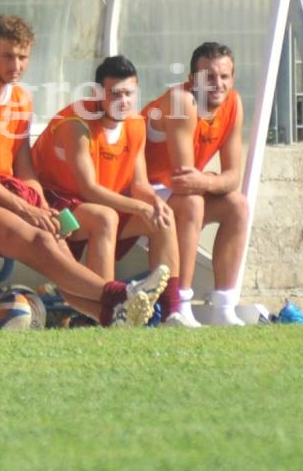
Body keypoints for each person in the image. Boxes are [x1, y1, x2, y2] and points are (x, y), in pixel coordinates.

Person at [0, 17, 168, 326]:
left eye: (23, 57)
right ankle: (120, 294)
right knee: (45, 246)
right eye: (8, 56)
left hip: (11, 193)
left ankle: (107, 315)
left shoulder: (22, 98)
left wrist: (41, 206)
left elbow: (24, 167)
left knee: (59, 253)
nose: (16, 65)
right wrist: (25, 208)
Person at [30, 55, 189, 326]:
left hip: (101, 205)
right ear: (98, 94)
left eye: (128, 93)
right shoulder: (76, 124)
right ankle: (106, 313)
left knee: (164, 216)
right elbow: (88, 189)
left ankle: (173, 311)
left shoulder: (135, 124)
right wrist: (138, 206)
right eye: (115, 94)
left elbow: (138, 184)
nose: (123, 101)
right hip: (54, 204)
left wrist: (152, 201)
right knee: (106, 217)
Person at [142, 42, 250, 326]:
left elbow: (233, 177)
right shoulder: (182, 102)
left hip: (175, 194)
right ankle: (179, 305)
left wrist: (208, 180)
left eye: (224, 77)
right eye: (209, 77)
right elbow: (182, 181)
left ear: (233, 78)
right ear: (192, 80)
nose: (218, 84)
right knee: (191, 202)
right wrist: (214, 181)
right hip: (140, 191)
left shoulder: (234, 103)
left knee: (237, 205)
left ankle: (224, 307)